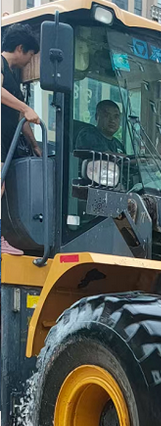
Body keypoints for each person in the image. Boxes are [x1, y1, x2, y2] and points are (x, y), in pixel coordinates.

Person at [2, 23, 41, 256]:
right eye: (30, 55)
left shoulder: (12, 76)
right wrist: (26, 107)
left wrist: (35, 145)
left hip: (6, 142)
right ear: (20, 48)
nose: (29, 61)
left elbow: (20, 117)